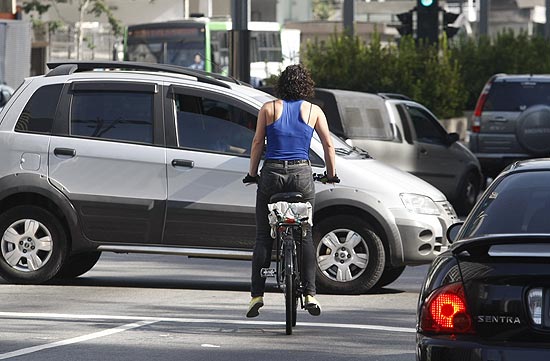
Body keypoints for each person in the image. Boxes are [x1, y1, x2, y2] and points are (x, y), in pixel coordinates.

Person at [243, 64, 338, 318]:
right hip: (301, 175)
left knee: (264, 236)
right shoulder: (313, 110)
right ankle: (309, 294)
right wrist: (331, 175)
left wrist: (252, 174)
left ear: (281, 85)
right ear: (306, 85)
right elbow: (329, 145)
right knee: (305, 235)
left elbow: (256, 144)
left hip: (272, 173)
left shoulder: (268, 108)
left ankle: (256, 296)